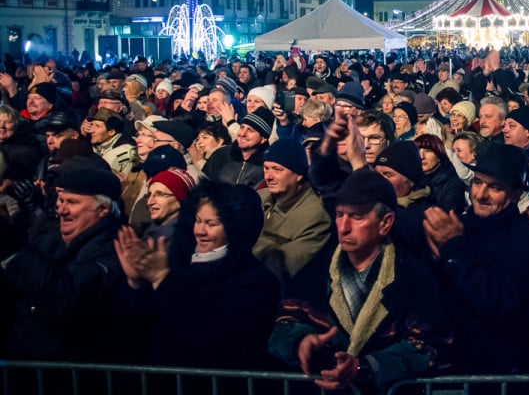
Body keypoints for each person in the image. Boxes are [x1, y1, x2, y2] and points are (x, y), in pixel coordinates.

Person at [268, 169, 454, 393]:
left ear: (385, 223)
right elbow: (285, 321)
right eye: (339, 215)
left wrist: (365, 367)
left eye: (357, 217)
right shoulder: (317, 269)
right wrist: (299, 341)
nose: (344, 227)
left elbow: (432, 345)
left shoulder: (413, 277)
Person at [114, 182, 280, 371]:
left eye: (212, 224)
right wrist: (135, 284)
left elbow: (207, 335)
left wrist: (161, 279)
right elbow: (143, 327)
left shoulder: (255, 281)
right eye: (198, 220)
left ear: (236, 228)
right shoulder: (183, 268)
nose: (200, 231)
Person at [423, 142, 529, 377]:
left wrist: (454, 253)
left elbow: (502, 303)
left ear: (515, 193)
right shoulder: (460, 226)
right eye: (477, 182)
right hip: (454, 366)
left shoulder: (527, 240)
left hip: (500, 372)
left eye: (494, 187)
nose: (481, 195)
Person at [0, 163, 127, 361]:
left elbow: (67, 293)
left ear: (103, 209)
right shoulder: (51, 239)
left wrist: (11, 246)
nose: (61, 210)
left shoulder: (118, 247)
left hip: (75, 374)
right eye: (60, 201)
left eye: (72, 202)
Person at [253, 138, 333, 286]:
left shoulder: (315, 215)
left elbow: (281, 265)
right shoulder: (258, 198)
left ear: (299, 174)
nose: (268, 176)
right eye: (266, 168)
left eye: (277, 170)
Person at [203, 107, 275, 188]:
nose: (242, 134)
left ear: (263, 139)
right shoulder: (220, 155)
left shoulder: (268, 165)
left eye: (250, 130)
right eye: (242, 127)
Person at [416, 133, 467, 214]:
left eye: (428, 151)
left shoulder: (453, 184)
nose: (421, 156)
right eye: (417, 150)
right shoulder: (411, 180)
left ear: (439, 156)